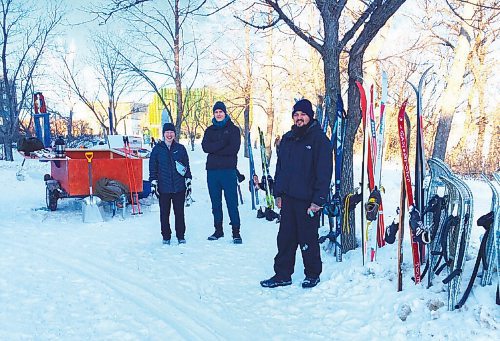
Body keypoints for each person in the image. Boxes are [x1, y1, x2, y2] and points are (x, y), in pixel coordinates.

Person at [260, 98, 333, 289]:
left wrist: (318, 200)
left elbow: (324, 173)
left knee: (307, 239)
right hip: (288, 199)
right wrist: (278, 194)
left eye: (303, 114)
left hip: (308, 201)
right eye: (296, 115)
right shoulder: (287, 139)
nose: (299, 118)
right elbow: (281, 169)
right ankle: (282, 274)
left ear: (310, 116)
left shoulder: (320, 140)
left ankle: (312, 274)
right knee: (285, 238)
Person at [202, 101, 242, 244]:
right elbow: (205, 147)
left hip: (228, 171)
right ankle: (218, 230)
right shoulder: (209, 130)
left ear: (225, 113)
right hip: (212, 172)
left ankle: (236, 232)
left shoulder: (233, 130)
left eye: (221, 112)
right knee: (215, 203)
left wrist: (215, 149)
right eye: (216, 112)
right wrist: (222, 144)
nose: (218, 114)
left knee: (232, 202)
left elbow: (233, 149)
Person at [149, 123, 192, 245]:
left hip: (179, 187)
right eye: (167, 132)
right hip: (163, 188)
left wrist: (188, 180)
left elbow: (186, 166)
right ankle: (166, 236)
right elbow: (153, 167)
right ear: (163, 134)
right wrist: (153, 182)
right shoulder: (157, 149)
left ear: (174, 134)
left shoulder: (180, 148)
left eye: (171, 132)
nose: (169, 134)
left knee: (179, 212)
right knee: (164, 213)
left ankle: (180, 235)